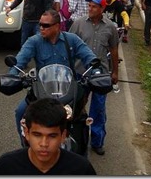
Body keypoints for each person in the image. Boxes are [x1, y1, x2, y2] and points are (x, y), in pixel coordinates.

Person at [10, 10, 96, 144]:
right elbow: (19, 61)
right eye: (40, 25)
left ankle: (81, 151)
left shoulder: (71, 40)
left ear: (57, 26)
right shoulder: (34, 41)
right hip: (42, 92)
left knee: (81, 120)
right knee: (20, 112)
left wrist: (97, 72)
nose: (41, 28)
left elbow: (89, 57)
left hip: (68, 92)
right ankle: (25, 144)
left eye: (46, 25)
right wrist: (11, 77)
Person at [0, 98, 97, 175]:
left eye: (52, 136)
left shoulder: (81, 170)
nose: (44, 144)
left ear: (63, 136)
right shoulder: (6, 167)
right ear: (26, 133)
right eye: (37, 135)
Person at [69, 0, 119, 155]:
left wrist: (115, 72)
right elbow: (69, 46)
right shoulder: (78, 24)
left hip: (100, 75)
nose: (90, 9)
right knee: (75, 107)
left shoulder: (110, 27)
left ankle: (97, 141)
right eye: (89, 6)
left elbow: (114, 50)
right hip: (79, 73)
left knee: (98, 109)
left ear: (102, 9)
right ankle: (73, 137)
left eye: (94, 6)